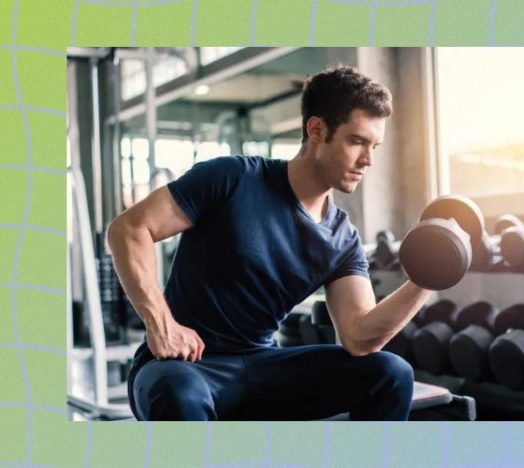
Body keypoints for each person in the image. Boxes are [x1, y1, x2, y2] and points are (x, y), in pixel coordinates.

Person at [107, 66, 433, 421]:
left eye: (374, 146)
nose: (368, 160)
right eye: (356, 141)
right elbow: (128, 229)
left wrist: (426, 279)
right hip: (186, 367)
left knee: (390, 373)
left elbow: (359, 337)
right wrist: (161, 324)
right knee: (178, 392)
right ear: (317, 130)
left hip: (262, 367)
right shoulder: (232, 178)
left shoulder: (342, 237)